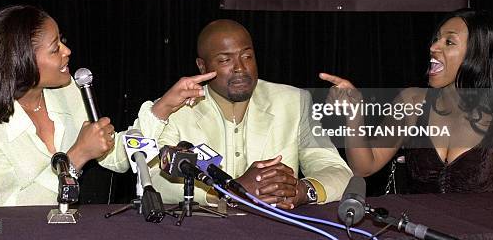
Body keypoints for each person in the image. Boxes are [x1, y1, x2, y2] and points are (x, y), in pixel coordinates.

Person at [0, 5, 214, 206]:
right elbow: (10, 210)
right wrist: (76, 157)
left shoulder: (67, 91)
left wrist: (164, 107)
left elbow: (115, 157)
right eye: (55, 48)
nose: (67, 51)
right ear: (21, 61)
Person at [320, 8, 493, 193]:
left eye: (449, 41)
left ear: (478, 55)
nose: (433, 47)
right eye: (436, 39)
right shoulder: (412, 101)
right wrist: (354, 115)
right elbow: (363, 167)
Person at [149, 19, 352, 209]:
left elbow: (338, 171)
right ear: (202, 66)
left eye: (247, 56)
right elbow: (154, 180)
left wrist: (301, 190)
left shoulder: (293, 102)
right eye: (225, 60)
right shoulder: (177, 108)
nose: (240, 68)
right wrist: (226, 190)